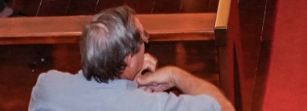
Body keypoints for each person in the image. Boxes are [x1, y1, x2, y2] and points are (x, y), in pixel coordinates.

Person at [27, 6, 233, 111]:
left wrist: (129, 83)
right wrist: (175, 75)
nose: (145, 42)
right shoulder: (154, 106)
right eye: (143, 39)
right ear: (129, 59)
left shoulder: (47, 86)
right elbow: (225, 108)